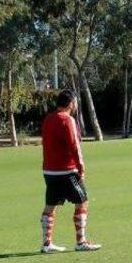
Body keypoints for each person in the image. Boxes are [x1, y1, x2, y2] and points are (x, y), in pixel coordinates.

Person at [39, 89, 101, 253]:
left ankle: (46, 244)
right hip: (67, 171)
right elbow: (75, 145)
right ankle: (81, 242)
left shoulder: (48, 119)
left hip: (49, 171)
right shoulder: (68, 120)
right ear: (71, 103)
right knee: (82, 201)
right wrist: (81, 166)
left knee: (50, 206)